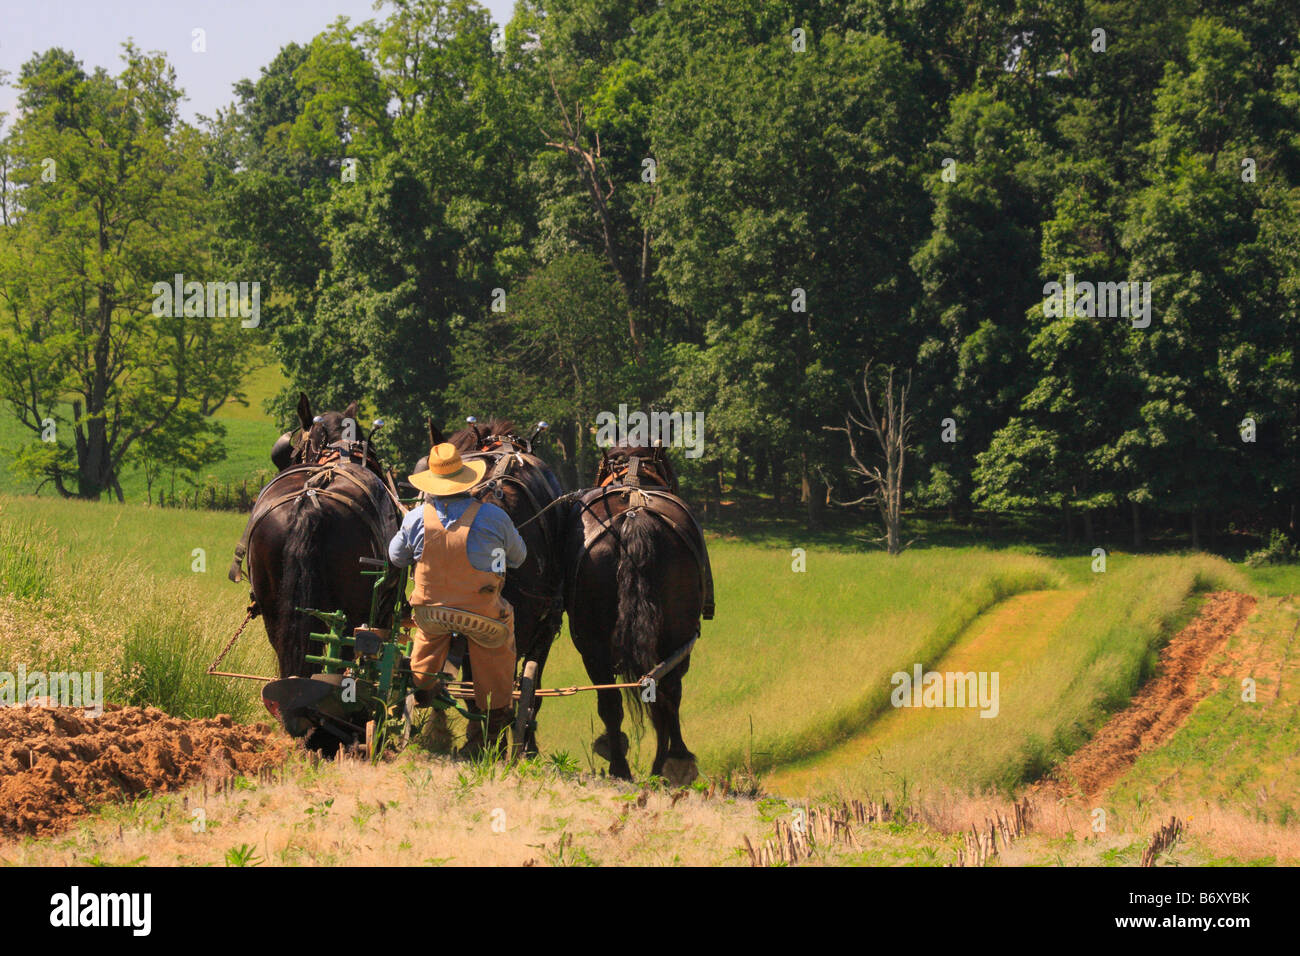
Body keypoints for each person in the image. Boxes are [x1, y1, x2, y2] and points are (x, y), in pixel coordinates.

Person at [388, 442, 526, 757]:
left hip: (431, 613)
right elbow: (519, 558)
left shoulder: (414, 518)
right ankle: (495, 713)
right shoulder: (494, 516)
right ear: (467, 479)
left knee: (426, 636)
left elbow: (396, 557)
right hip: (481, 615)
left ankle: (423, 685)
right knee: (497, 643)